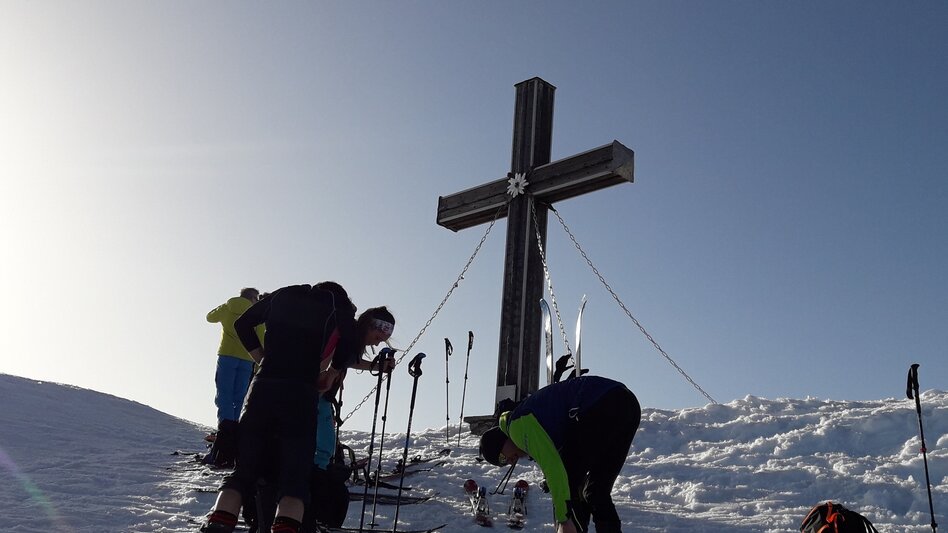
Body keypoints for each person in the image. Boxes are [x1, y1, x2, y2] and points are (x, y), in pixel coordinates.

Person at [200, 281, 379, 533]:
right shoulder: (338, 306)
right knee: (294, 483)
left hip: (262, 388)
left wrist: (261, 358)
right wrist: (331, 372)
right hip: (301, 392)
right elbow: (349, 346)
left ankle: (217, 526)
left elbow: (243, 324)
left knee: (242, 475)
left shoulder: (284, 294)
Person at [252, 306, 398, 532]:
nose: (378, 343)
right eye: (379, 337)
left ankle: (305, 500)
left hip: (316, 399)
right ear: (369, 325)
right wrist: (317, 391)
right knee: (319, 448)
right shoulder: (345, 336)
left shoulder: (347, 338)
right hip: (313, 398)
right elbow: (329, 362)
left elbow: (346, 360)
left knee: (324, 447)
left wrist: (374, 366)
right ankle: (305, 502)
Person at [479, 375, 641, 533]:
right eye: (503, 463)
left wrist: (564, 520)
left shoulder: (517, 427)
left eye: (502, 458)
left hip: (601, 404)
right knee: (595, 491)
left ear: (501, 442)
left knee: (569, 482)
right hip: (626, 404)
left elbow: (555, 470)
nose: (510, 461)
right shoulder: (529, 420)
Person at [204, 287, 264, 467]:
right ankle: (234, 431)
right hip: (247, 359)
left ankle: (225, 432)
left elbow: (210, 317)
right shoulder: (256, 314)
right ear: (253, 297)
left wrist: (224, 307)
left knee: (224, 394)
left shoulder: (228, 307)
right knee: (239, 397)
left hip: (227, 355)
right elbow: (260, 338)